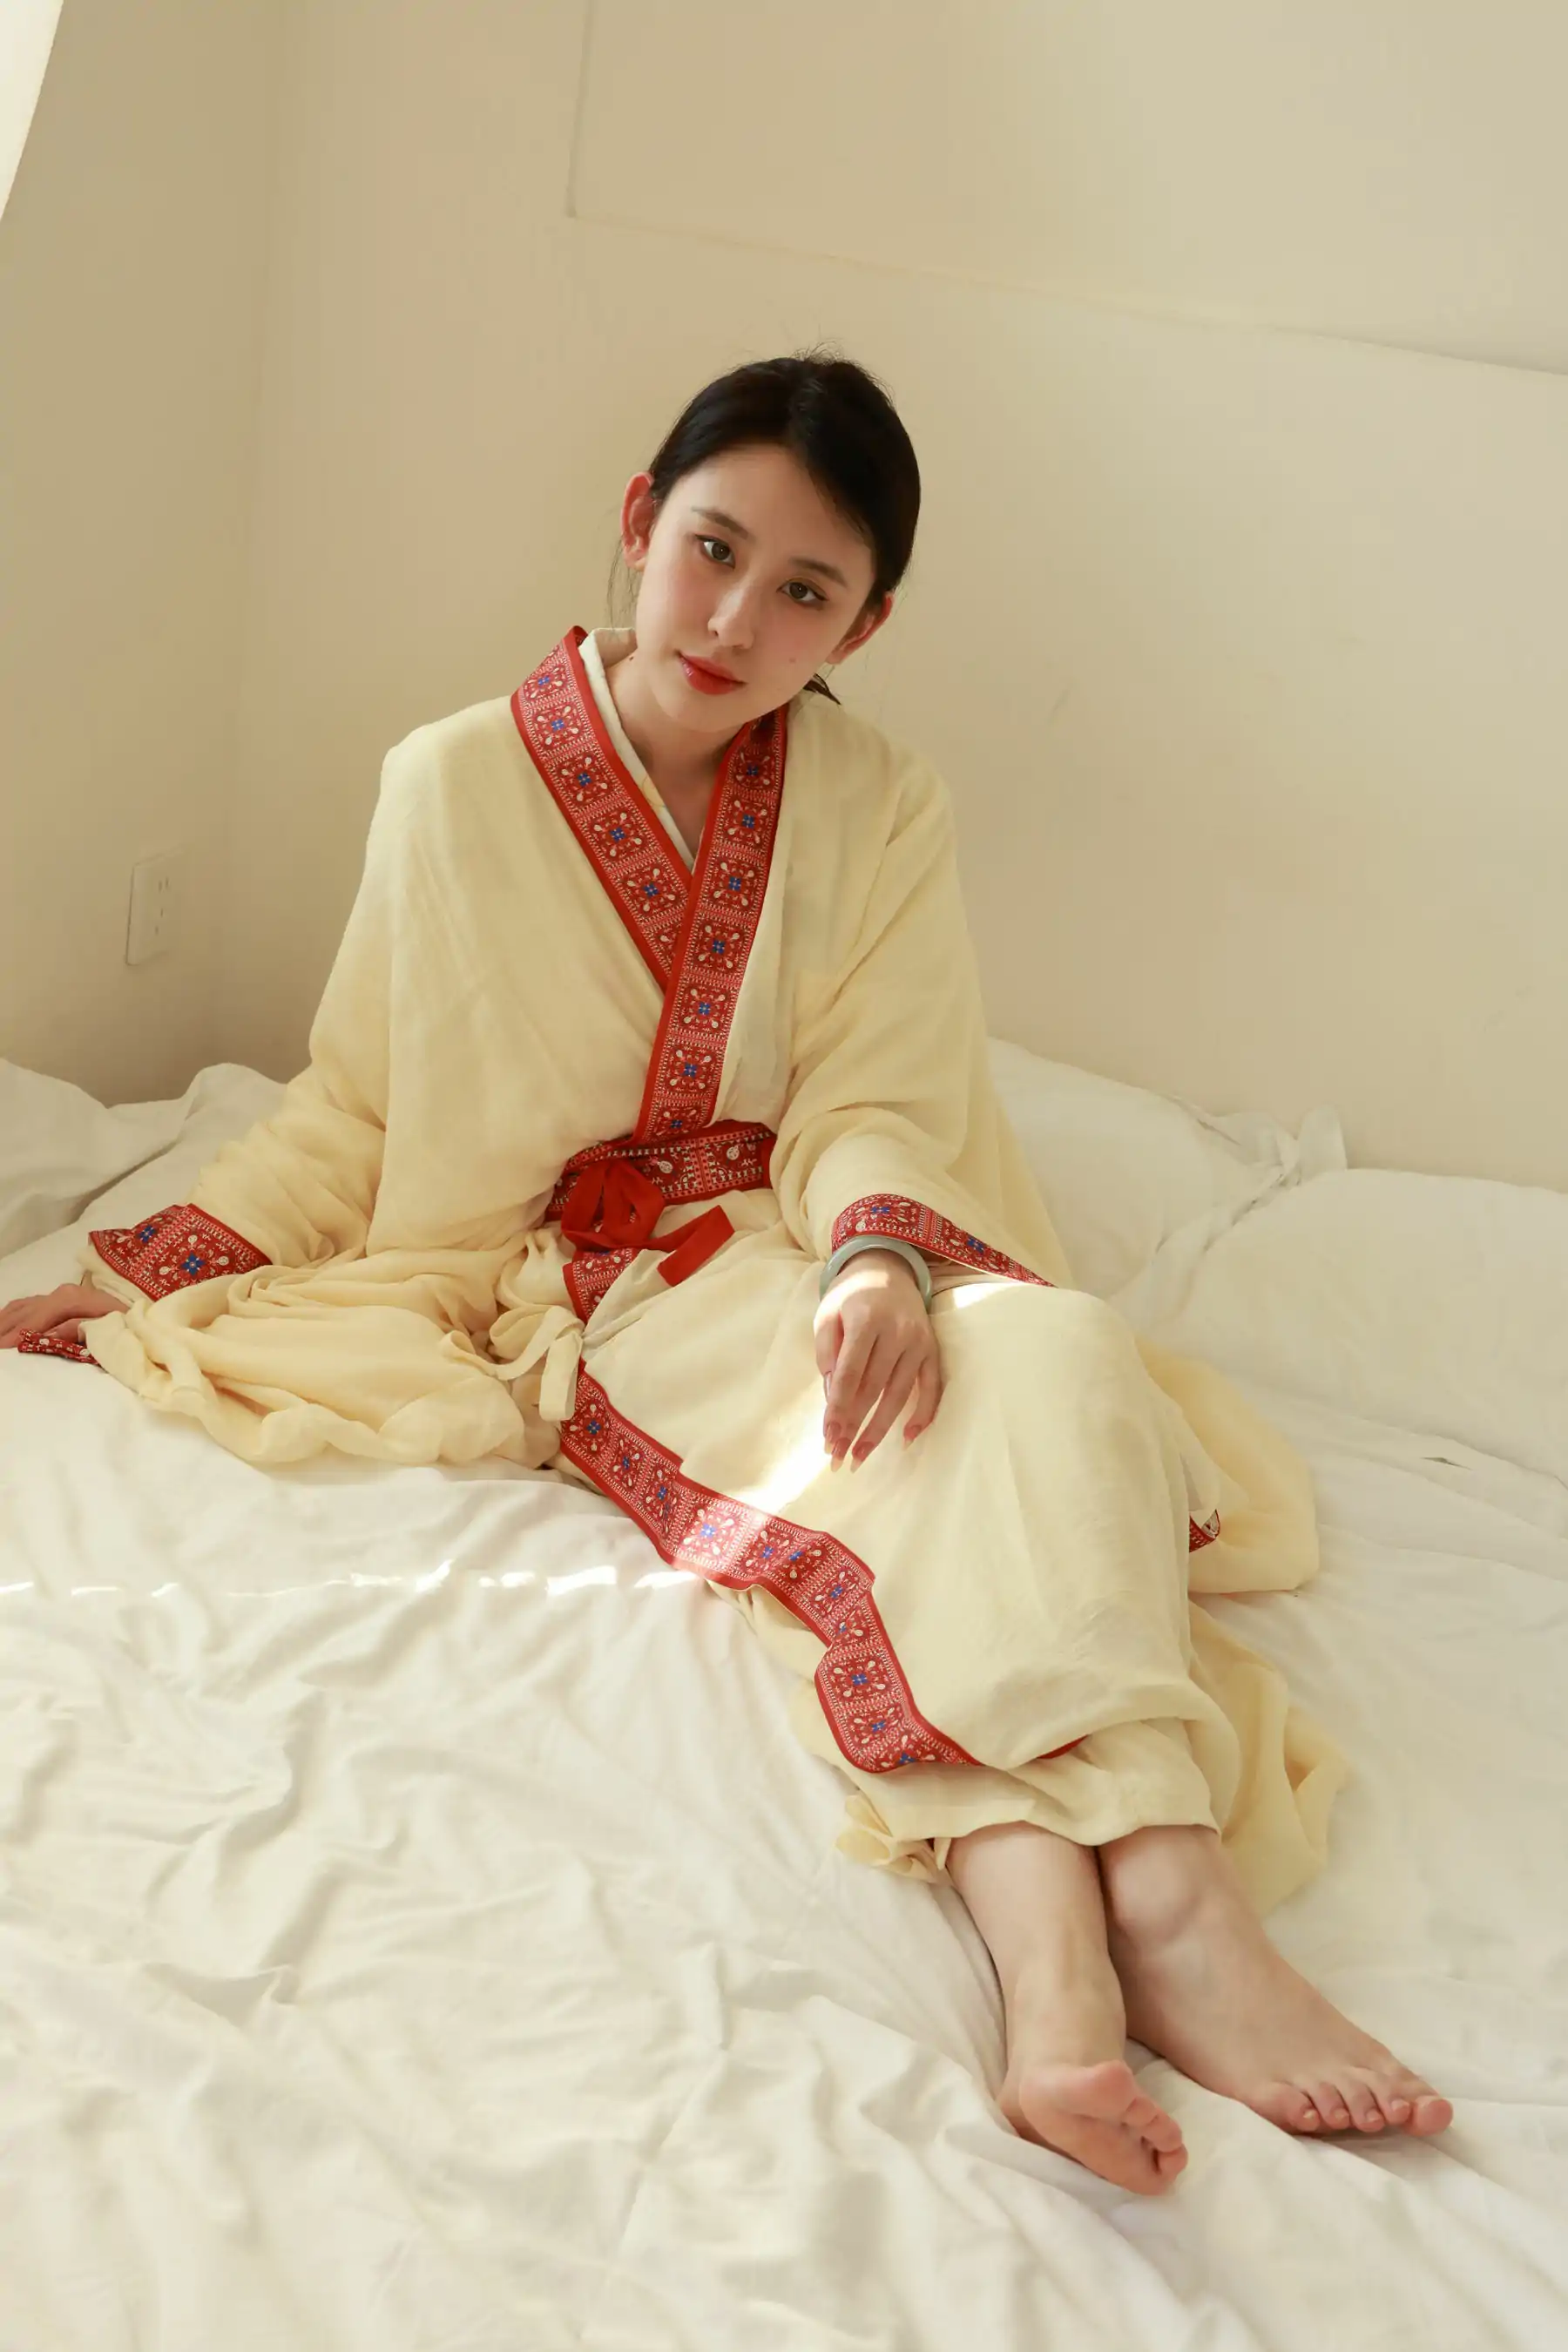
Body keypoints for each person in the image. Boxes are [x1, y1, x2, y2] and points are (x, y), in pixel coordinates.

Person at [1, 353, 1451, 2193]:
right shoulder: (451, 785)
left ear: (868, 622)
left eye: (805, 590)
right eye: (712, 549)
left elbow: (876, 1089)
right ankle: (1126, 1934)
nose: (737, 618)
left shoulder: (879, 801)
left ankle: (1122, 1933)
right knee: (915, 1491)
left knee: (1062, 1358)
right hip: (621, 1292)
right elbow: (359, 1105)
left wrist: (878, 1261)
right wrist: (148, 1270)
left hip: (829, 1240)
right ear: (639, 520)